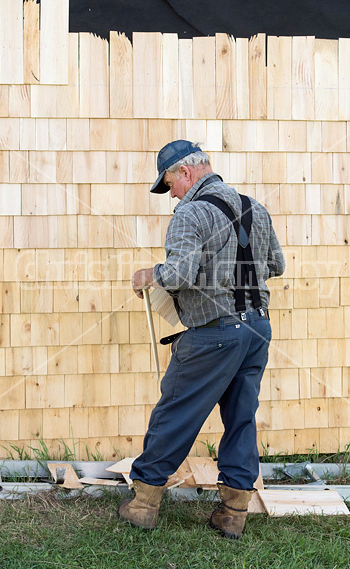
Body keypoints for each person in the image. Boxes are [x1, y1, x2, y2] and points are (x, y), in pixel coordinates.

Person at [118, 140, 285, 538]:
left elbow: (177, 275)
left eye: (169, 183)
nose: (170, 193)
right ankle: (233, 513)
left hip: (215, 333)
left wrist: (148, 275)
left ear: (186, 173)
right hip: (257, 329)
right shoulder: (253, 208)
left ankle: (143, 505)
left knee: (175, 413)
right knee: (241, 417)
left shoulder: (190, 212)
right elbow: (275, 265)